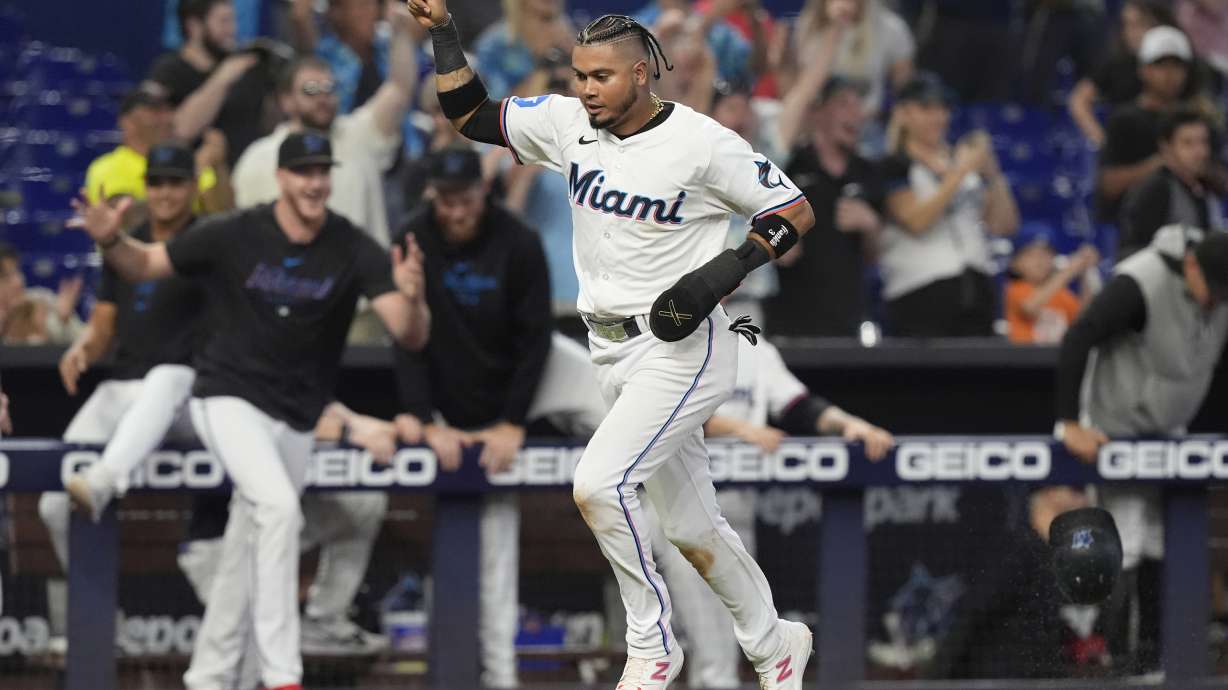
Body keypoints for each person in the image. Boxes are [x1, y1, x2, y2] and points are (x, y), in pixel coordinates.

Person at [409, 2, 818, 687]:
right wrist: (445, 34)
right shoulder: (570, 123)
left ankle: (653, 644)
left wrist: (726, 269)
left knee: (599, 485)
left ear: (641, 73)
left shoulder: (701, 141)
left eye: (601, 76)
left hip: (682, 346)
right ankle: (775, 642)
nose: (586, 88)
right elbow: (471, 116)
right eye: (579, 75)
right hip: (609, 349)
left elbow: (793, 211)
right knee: (690, 526)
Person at [68, 130, 430, 690]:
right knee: (280, 509)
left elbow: (408, 334)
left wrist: (414, 298)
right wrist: (113, 241)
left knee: (246, 536)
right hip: (228, 397)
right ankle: (283, 675)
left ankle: (208, 676)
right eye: (303, 173)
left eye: (321, 172)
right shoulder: (236, 231)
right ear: (282, 179)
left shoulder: (351, 245)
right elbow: (145, 264)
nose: (314, 183)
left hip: (297, 415)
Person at [393, 148, 607, 686]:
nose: (455, 212)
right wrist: (426, 417)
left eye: (464, 200)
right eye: (445, 200)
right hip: (455, 391)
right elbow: (406, 338)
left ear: (483, 194)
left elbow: (534, 340)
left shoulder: (518, 240)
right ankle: (496, 676)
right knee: (489, 531)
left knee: (628, 415)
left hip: (527, 374)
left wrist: (515, 421)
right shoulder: (412, 238)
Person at [650, 334, 893, 688]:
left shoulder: (754, 349)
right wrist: (741, 429)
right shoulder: (664, 340)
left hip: (733, 505)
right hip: (675, 500)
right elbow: (661, 410)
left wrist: (851, 423)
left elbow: (801, 406)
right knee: (703, 635)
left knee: (730, 621)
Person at [38, 143, 205, 647]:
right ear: (146, 189)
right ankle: (102, 625)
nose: (166, 193)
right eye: (157, 183)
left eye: (177, 182)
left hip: (191, 397)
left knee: (168, 377)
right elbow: (105, 324)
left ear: (193, 188)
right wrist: (83, 347)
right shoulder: (123, 242)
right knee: (51, 503)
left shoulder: (210, 241)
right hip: (128, 387)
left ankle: (107, 478)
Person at [1055, 225, 1228, 673]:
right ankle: (1112, 665)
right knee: (1124, 541)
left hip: (1170, 430)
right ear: (1192, 264)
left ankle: (1155, 663)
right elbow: (1079, 337)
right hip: (1117, 429)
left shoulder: (1218, 286)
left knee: (1162, 541)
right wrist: (1070, 422)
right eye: (1213, 288)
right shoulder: (1140, 282)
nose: (1215, 301)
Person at [231, 41, 419, 247]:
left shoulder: (360, 135)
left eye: (328, 89)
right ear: (286, 100)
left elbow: (399, 88)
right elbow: (245, 232)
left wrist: (401, 31)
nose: (322, 98)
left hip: (364, 273)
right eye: (310, 90)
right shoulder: (258, 157)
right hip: (289, 273)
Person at [879, 73, 1020, 337]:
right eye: (926, 108)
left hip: (976, 289)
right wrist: (959, 172)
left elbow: (1004, 225)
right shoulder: (893, 165)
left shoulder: (962, 165)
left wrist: (993, 175)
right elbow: (916, 221)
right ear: (904, 114)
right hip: (919, 295)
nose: (938, 117)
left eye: (943, 108)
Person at [768, 76, 882, 337]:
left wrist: (871, 226)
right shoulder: (791, 165)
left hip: (847, 321)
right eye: (844, 104)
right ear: (818, 112)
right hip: (790, 318)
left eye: (859, 105)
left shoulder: (867, 172)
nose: (856, 114)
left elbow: (873, 255)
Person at [1095, 25, 1209, 223]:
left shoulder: (1196, 120)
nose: (1169, 74)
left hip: (1190, 226)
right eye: (1160, 65)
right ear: (1143, 69)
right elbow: (1108, 185)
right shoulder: (1124, 120)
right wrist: (1161, 165)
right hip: (1135, 229)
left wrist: (1193, 163)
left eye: (1177, 65)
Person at [146, 0, 271, 166]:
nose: (233, 30)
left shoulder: (245, 67)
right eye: (224, 21)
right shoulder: (169, 71)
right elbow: (180, 131)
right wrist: (222, 78)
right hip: (195, 179)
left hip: (247, 173)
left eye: (233, 20)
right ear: (194, 26)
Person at [84, 82, 229, 216]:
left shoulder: (187, 162)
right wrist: (191, 179)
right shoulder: (108, 166)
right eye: (155, 111)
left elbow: (223, 212)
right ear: (127, 122)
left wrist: (218, 166)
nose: (168, 118)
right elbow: (127, 217)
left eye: (169, 110)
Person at [1067, 0, 1177, 147]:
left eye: (1140, 24)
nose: (1132, 33)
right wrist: (1102, 140)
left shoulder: (1178, 61)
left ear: (1159, 24)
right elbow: (1078, 100)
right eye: (1127, 24)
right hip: (1126, 146)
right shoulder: (1115, 64)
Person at [1120, 108, 1226, 256]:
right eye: (1188, 143)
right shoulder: (1156, 189)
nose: (1200, 152)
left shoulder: (1207, 186)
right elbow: (1134, 252)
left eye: (1203, 142)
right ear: (1166, 147)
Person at [789, 0, 913, 124]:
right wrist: (835, 27)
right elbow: (796, 85)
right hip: (816, 123)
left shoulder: (891, 28)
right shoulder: (807, 25)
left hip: (868, 123)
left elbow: (903, 85)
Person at [1005, 225, 1100, 345]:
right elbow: (1030, 307)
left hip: (1055, 358)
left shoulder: (1061, 294)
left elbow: (1082, 319)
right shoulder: (1016, 288)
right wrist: (1070, 269)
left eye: (1046, 254)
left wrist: (1085, 271)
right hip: (1025, 359)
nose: (1039, 261)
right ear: (1015, 263)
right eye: (1031, 255)